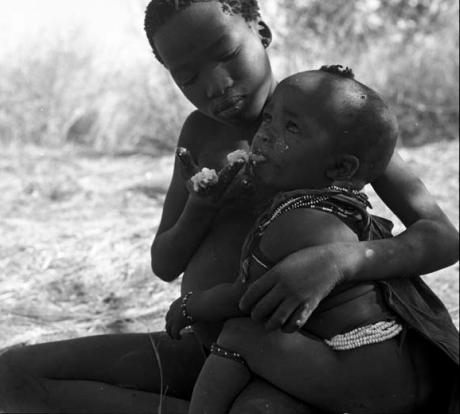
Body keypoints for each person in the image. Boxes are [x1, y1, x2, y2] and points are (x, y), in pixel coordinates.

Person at [0, 0, 458, 414]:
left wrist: (339, 261)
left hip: (306, 355)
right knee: (13, 374)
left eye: (226, 54)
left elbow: (441, 235)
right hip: (209, 349)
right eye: (187, 75)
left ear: (262, 32)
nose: (214, 85)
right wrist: (201, 207)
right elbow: (164, 262)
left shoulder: (326, 120)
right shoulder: (200, 136)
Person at [165, 66, 459, 414]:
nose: (264, 135)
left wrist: (191, 306)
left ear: (340, 169)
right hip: (386, 369)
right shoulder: (333, 209)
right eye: (269, 118)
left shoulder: (302, 222)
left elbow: (248, 298)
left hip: (363, 371)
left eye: (290, 128)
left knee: (239, 334)